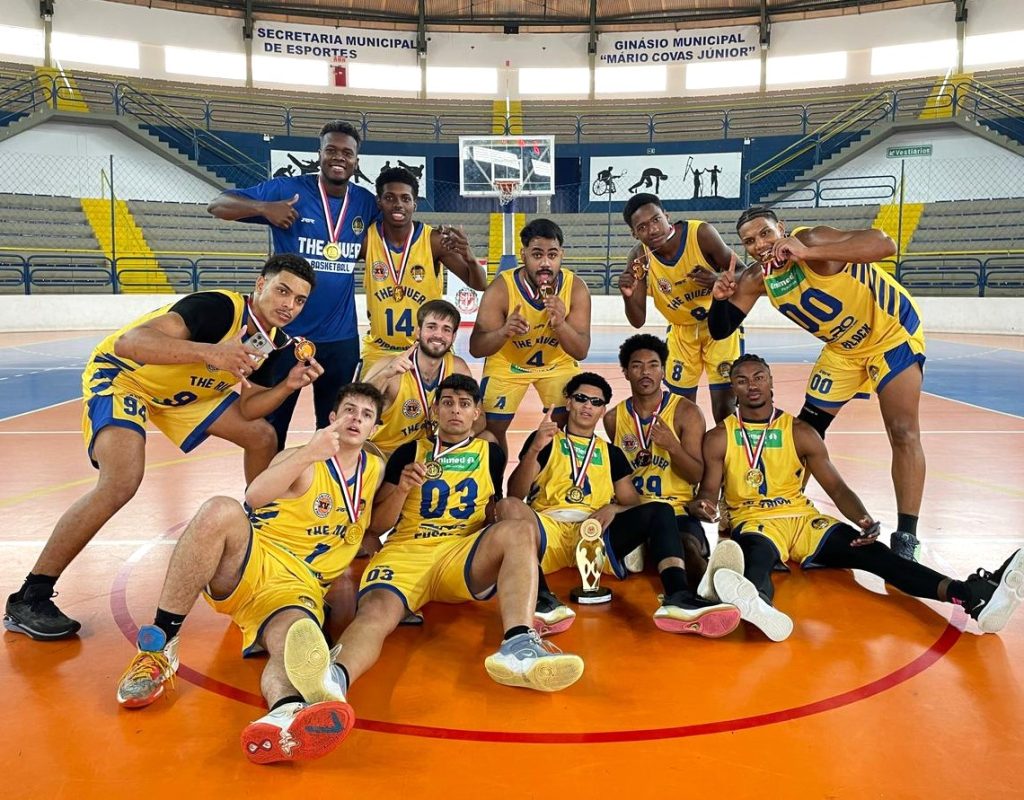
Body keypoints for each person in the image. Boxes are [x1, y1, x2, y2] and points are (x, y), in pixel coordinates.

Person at [4, 255, 322, 641]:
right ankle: (30, 596)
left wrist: (288, 385)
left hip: (181, 395)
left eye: (299, 300)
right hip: (127, 378)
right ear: (260, 285)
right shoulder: (218, 308)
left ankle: (259, 535)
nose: (289, 304)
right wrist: (211, 352)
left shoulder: (271, 341)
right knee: (121, 481)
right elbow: (130, 342)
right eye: (282, 290)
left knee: (262, 436)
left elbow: (248, 408)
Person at [276, 375, 583, 744]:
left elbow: (493, 507)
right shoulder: (409, 452)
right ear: (435, 409)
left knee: (517, 530)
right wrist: (403, 488)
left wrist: (498, 542)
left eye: (465, 404)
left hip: (460, 552)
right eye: (448, 402)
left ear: (476, 414)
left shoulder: (491, 453)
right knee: (374, 614)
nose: (455, 410)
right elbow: (378, 524)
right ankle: (333, 681)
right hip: (407, 551)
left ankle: (518, 645)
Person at [113, 384, 385, 764]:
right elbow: (254, 497)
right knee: (220, 510)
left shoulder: (375, 467)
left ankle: (281, 714)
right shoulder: (302, 458)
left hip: (296, 588)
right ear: (332, 419)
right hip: (255, 559)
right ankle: (159, 649)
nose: (356, 418)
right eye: (349, 410)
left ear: (374, 428)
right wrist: (308, 452)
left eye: (366, 414)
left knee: (295, 642)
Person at [687, 355, 1023, 642]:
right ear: (734, 389)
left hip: (805, 521)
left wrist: (862, 518)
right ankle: (758, 604)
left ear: (771, 382)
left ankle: (970, 595)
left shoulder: (801, 432)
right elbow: (708, 492)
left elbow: (836, 488)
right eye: (742, 381)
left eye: (759, 377)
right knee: (755, 556)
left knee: (876, 555)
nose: (752, 385)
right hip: (756, 521)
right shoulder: (720, 437)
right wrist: (703, 505)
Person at [709, 206, 926, 561]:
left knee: (902, 430)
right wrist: (719, 300)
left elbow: (885, 245)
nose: (760, 244)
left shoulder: (812, 239)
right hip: (843, 349)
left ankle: (906, 536)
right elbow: (721, 328)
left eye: (765, 233)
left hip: (890, 334)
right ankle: (779, 508)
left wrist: (809, 253)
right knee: (804, 433)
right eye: (749, 241)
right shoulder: (757, 277)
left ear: (781, 228)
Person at [504, 373, 740, 638]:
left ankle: (679, 596)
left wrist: (613, 509)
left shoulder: (611, 453)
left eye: (596, 402)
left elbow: (632, 503)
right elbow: (515, 492)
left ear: (603, 409)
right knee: (507, 506)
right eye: (581, 399)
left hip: (595, 536)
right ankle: (542, 600)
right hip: (548, 533)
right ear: (568, 402)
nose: (587, 406)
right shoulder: (546, 442)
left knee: (660, 509)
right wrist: (534, 449)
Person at [208, 120, 380, 451]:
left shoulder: (365, 203)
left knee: (335, 428)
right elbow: (218, 204)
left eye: (347, 152)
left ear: (357, 161)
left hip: (340, 338)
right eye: (331, 150)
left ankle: (327, 498)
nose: (338, 157)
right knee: (267, 427)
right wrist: (262, 208)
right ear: (319, 155)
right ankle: (264, 501)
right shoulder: (287, 191)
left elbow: (397, 232)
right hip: (278, 335)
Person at [470, 218, 592, 453]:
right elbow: (476, 347)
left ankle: (552, 481)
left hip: (556, 363)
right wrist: (503, 331)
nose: (545, 263)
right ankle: (496, 488)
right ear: (523, 254)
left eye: (552, 255)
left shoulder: (575, 287)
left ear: (562, 255)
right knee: (490, 431)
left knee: (568, 425)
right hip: (508, 363)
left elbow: (581, 351)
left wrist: (560, 325)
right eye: (537, 255)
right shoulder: (501, 289)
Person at [617, 193, 742, 423]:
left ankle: (726, 456)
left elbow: (744, 273)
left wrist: (717, 279)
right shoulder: (639, 259)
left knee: (724, 406)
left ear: (667, 216)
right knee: (680, 408)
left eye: (656, 220)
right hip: (682, 332)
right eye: (642, 227)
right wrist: (628, 296)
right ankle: (688, 456)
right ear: (634, 233)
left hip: (720, 326)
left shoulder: (700, 234)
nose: (652, 230)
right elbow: (637, 320)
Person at [603, 334, 712, 581]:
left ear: (663, 371)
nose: (645, 372)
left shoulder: (687, 413)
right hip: (634, 509)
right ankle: (643, 547)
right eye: (636, 365)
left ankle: (708, 592)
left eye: (653, 365)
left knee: (686, 548)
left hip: (676, 508)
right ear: (625, 372)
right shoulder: (613, 418)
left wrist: (672, 446)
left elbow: (695, 474)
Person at [361, 167, 485, 374]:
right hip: (380, 350)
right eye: (390, 198)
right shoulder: (367, 239)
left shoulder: (433, 240)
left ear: (414, 204)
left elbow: (479, 284)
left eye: (405, 199)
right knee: (366, 403)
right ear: (379, 202)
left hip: (428, 348)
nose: (398, 204)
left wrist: (469, 257)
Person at [362, 300, 475, 458]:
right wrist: (385, 374)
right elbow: (357, 404)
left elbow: (479, 416)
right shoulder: (388, 365)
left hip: (428, 454)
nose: (438, 334)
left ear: (453, 337)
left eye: (446, 329)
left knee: (488, 441)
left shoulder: (458, 368)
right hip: (385, 453)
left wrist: (461, 435)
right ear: (418, 331)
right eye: (431, 327)